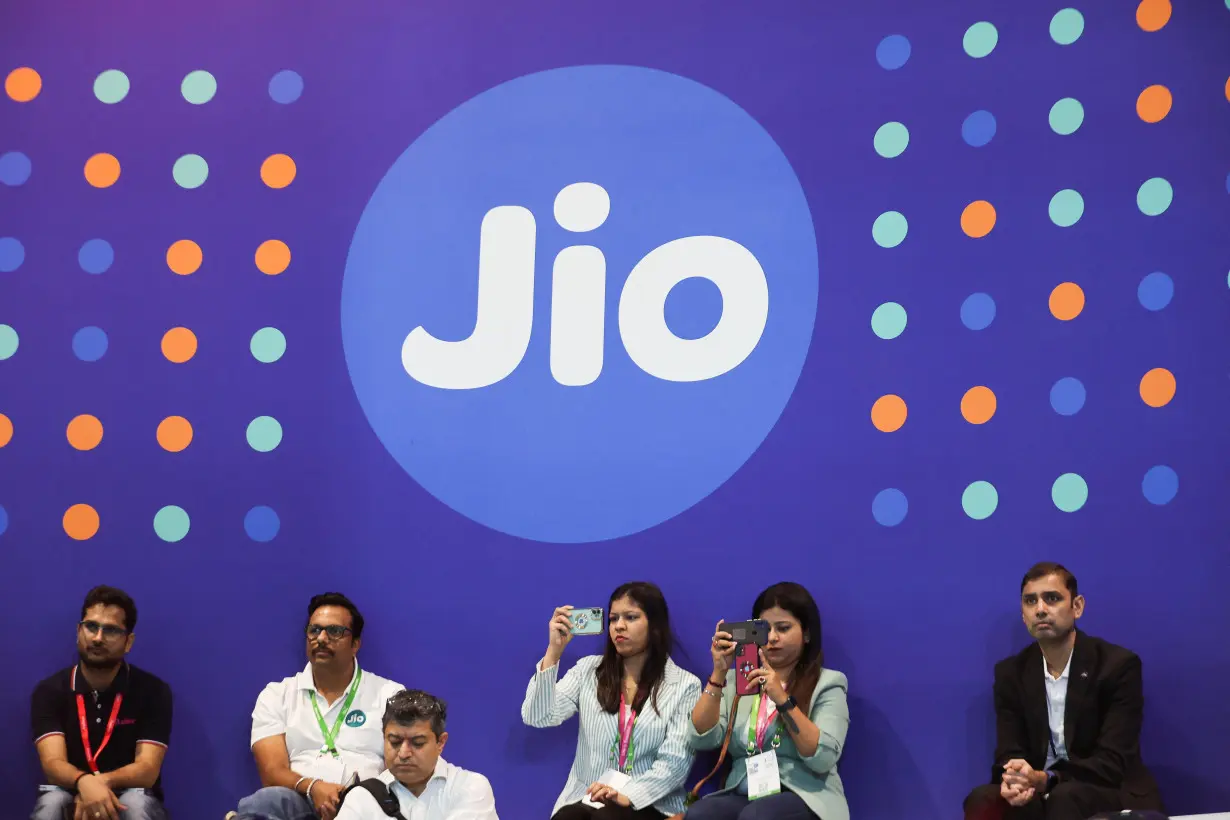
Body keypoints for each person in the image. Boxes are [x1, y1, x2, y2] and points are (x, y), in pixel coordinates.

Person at [963, 562, 1164, 820]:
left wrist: (1048, 778)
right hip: (1040, 791)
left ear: (1077, 606)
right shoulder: (1010, 673)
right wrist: (1014, 779)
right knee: (984, 800)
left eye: (1052, 598)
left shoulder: (1117, 666)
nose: (1041, 609)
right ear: (1023, 615)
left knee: (1065, 797)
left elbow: (1112, 762)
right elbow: (1008, 752)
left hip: (1107, 788)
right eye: (1030, 601)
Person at [522, 582, 701, 819]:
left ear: (655, 626)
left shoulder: (684, 685)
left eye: (631, 617)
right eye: (614, 618)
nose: (619, 626)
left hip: (649, 803)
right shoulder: (588, 671)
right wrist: (554, 652)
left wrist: (628, 794)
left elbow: (674, 763)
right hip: (587, 798)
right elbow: (537, 716)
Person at [229, 593, 406, 820]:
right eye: (314, 630)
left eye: (334, 631)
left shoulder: (389, 695)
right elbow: (272, 773)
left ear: (355, 644)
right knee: (266, 801)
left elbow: (404, 766)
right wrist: (315, 787)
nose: (321, 638)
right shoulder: (277, 695)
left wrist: (355, 799)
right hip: (300, 801)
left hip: (368, 804)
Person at [687, 582, 849, 820]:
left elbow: (823, 758)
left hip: (806, 794)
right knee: (701, 814)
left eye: (783, 628)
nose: (772, 638)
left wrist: (782, 699)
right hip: (745, 791)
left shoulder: (828, 683)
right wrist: (719, 674)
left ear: (806, 634)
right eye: (765, 629)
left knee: (757, 816)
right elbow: (702, 738)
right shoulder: (737, 680)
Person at [29, 585, 173, 820]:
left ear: (128, 642)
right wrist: (83, 782)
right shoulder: (49, 691)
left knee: (136, 804)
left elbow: (147, 769)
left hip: (131, 790)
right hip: (69, 788)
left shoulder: (153, 691)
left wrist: (99, 784)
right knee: (52, 803)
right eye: (92, 627)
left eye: (111, 630)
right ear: (79, 631)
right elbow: (52, 764)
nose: (98, 638)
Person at [333, 688, 498, 819]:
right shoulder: (361, 798)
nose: (403, 753)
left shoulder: (471, 788)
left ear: (441, 742)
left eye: (418, 743)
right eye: (395, 742)